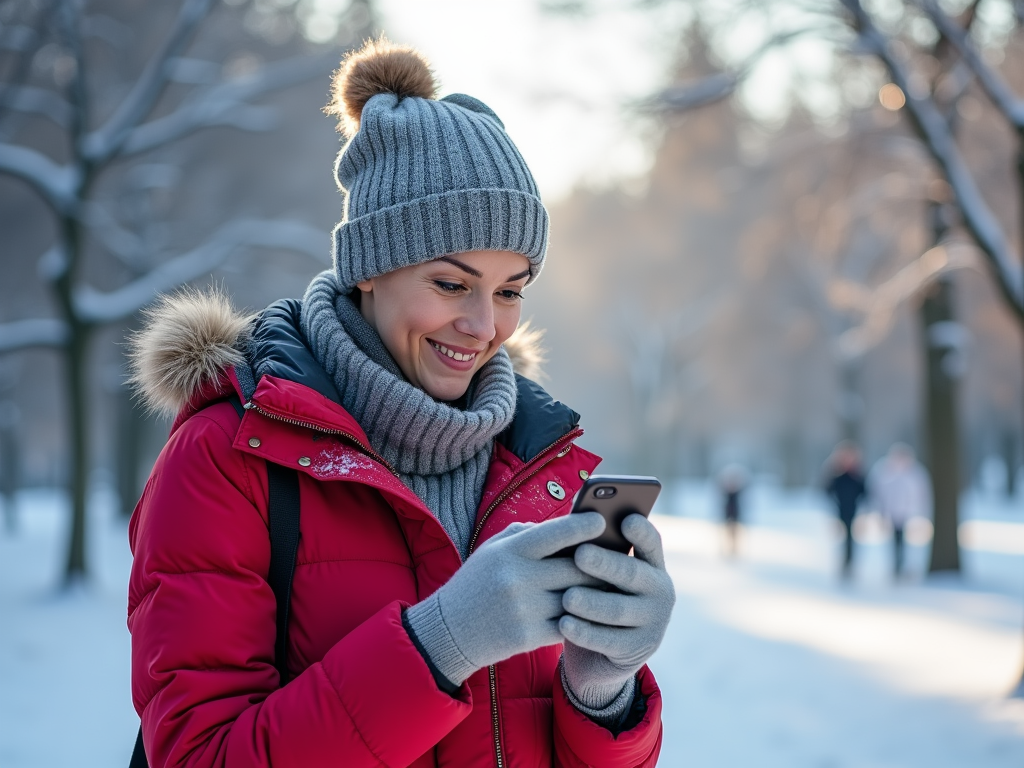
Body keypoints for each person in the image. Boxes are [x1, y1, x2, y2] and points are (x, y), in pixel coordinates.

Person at [126, 39, 673, 768]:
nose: (485, 327)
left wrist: (604, 694)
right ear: (369, 271)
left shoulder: (539, 467)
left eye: (510, 290)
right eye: (452, 284)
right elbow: (201, 757)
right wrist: (440, 643)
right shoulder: (229, 457)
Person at [868, 443, 931, 578]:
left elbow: (920, 493)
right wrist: (880, 510)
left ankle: (903, 564)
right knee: (895, 539)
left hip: (908, 513)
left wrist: (920, 512)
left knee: (908, 541)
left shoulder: (915, 473)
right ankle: (897, 564)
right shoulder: (884, 471)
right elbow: (878, 492)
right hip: (891, 513)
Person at [825, 441, 866, 579]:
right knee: (842, 537)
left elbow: (864, 492)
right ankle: (844, 561)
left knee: (851, 537)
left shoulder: (857, 476)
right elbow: (827, 490)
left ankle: (850, 561)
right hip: (840, 510)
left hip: (853, 510)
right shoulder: (837, 476)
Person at [718, 464, 747, 558]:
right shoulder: (725, 491)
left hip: (735, 512)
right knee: (727, 530)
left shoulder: (738, 491)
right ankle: (726, 547)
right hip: (727, 512)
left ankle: (734, 548)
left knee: (735, 530)